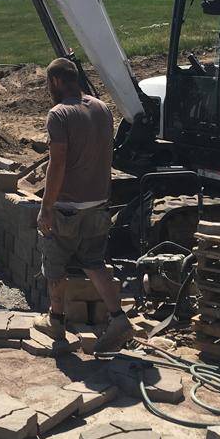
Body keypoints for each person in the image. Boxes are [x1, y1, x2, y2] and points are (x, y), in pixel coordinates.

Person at [33, 57, 135, 354]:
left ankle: (56, 320)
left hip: (68, 207)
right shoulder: (102, 108)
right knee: (93, 261)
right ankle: (118, 318)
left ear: (55, 81)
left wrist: (46, 206)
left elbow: (58, 161)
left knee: (55, 263)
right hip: (99, 203)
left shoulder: (59, 114)